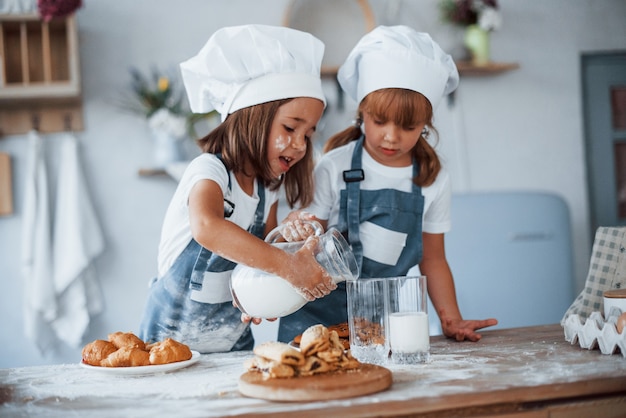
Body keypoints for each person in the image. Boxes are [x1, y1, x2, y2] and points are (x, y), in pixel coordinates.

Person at [278, 25, 498, 343]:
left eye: (408, 126)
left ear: (426, 125)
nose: (392, 137)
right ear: (362, 114)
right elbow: (308, 243)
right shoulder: (334, 167)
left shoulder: (432, 179)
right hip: (316, 320)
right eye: (380, 122)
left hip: (383, 326)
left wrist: (451, 319)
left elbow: (433, 259)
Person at [139, 24, 336, 353]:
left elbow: (261, 256)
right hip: (168, 348)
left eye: (309, 134)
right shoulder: (209, 171)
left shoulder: (267, 190)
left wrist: (289, 239)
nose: (300, 145)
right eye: (290, 127)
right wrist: (286, 266)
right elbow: (208, 228)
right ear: (251, 119)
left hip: (233, 345)